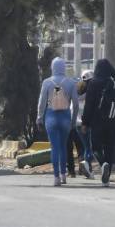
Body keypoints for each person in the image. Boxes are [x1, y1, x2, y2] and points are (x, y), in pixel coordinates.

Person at [36, 57, 79, 186]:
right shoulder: (71, 83)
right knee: (63, 146)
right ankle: (63, 175)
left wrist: (39, 117)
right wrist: (73, 120)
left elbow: (41, 102)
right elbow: (76, 104)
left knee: (54, 147)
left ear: (52, 67)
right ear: (63, 67)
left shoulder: (47, 82)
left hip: (51, 116)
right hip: (65, 117)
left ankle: (56, 177)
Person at [82, 58, 115, 186]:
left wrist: (85, 122)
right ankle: (106, 179)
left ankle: (102, 164)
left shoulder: (94, 83)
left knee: (96, 147)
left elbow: (89, 104)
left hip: (97, 121)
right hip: (113, 120)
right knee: (110, 148)